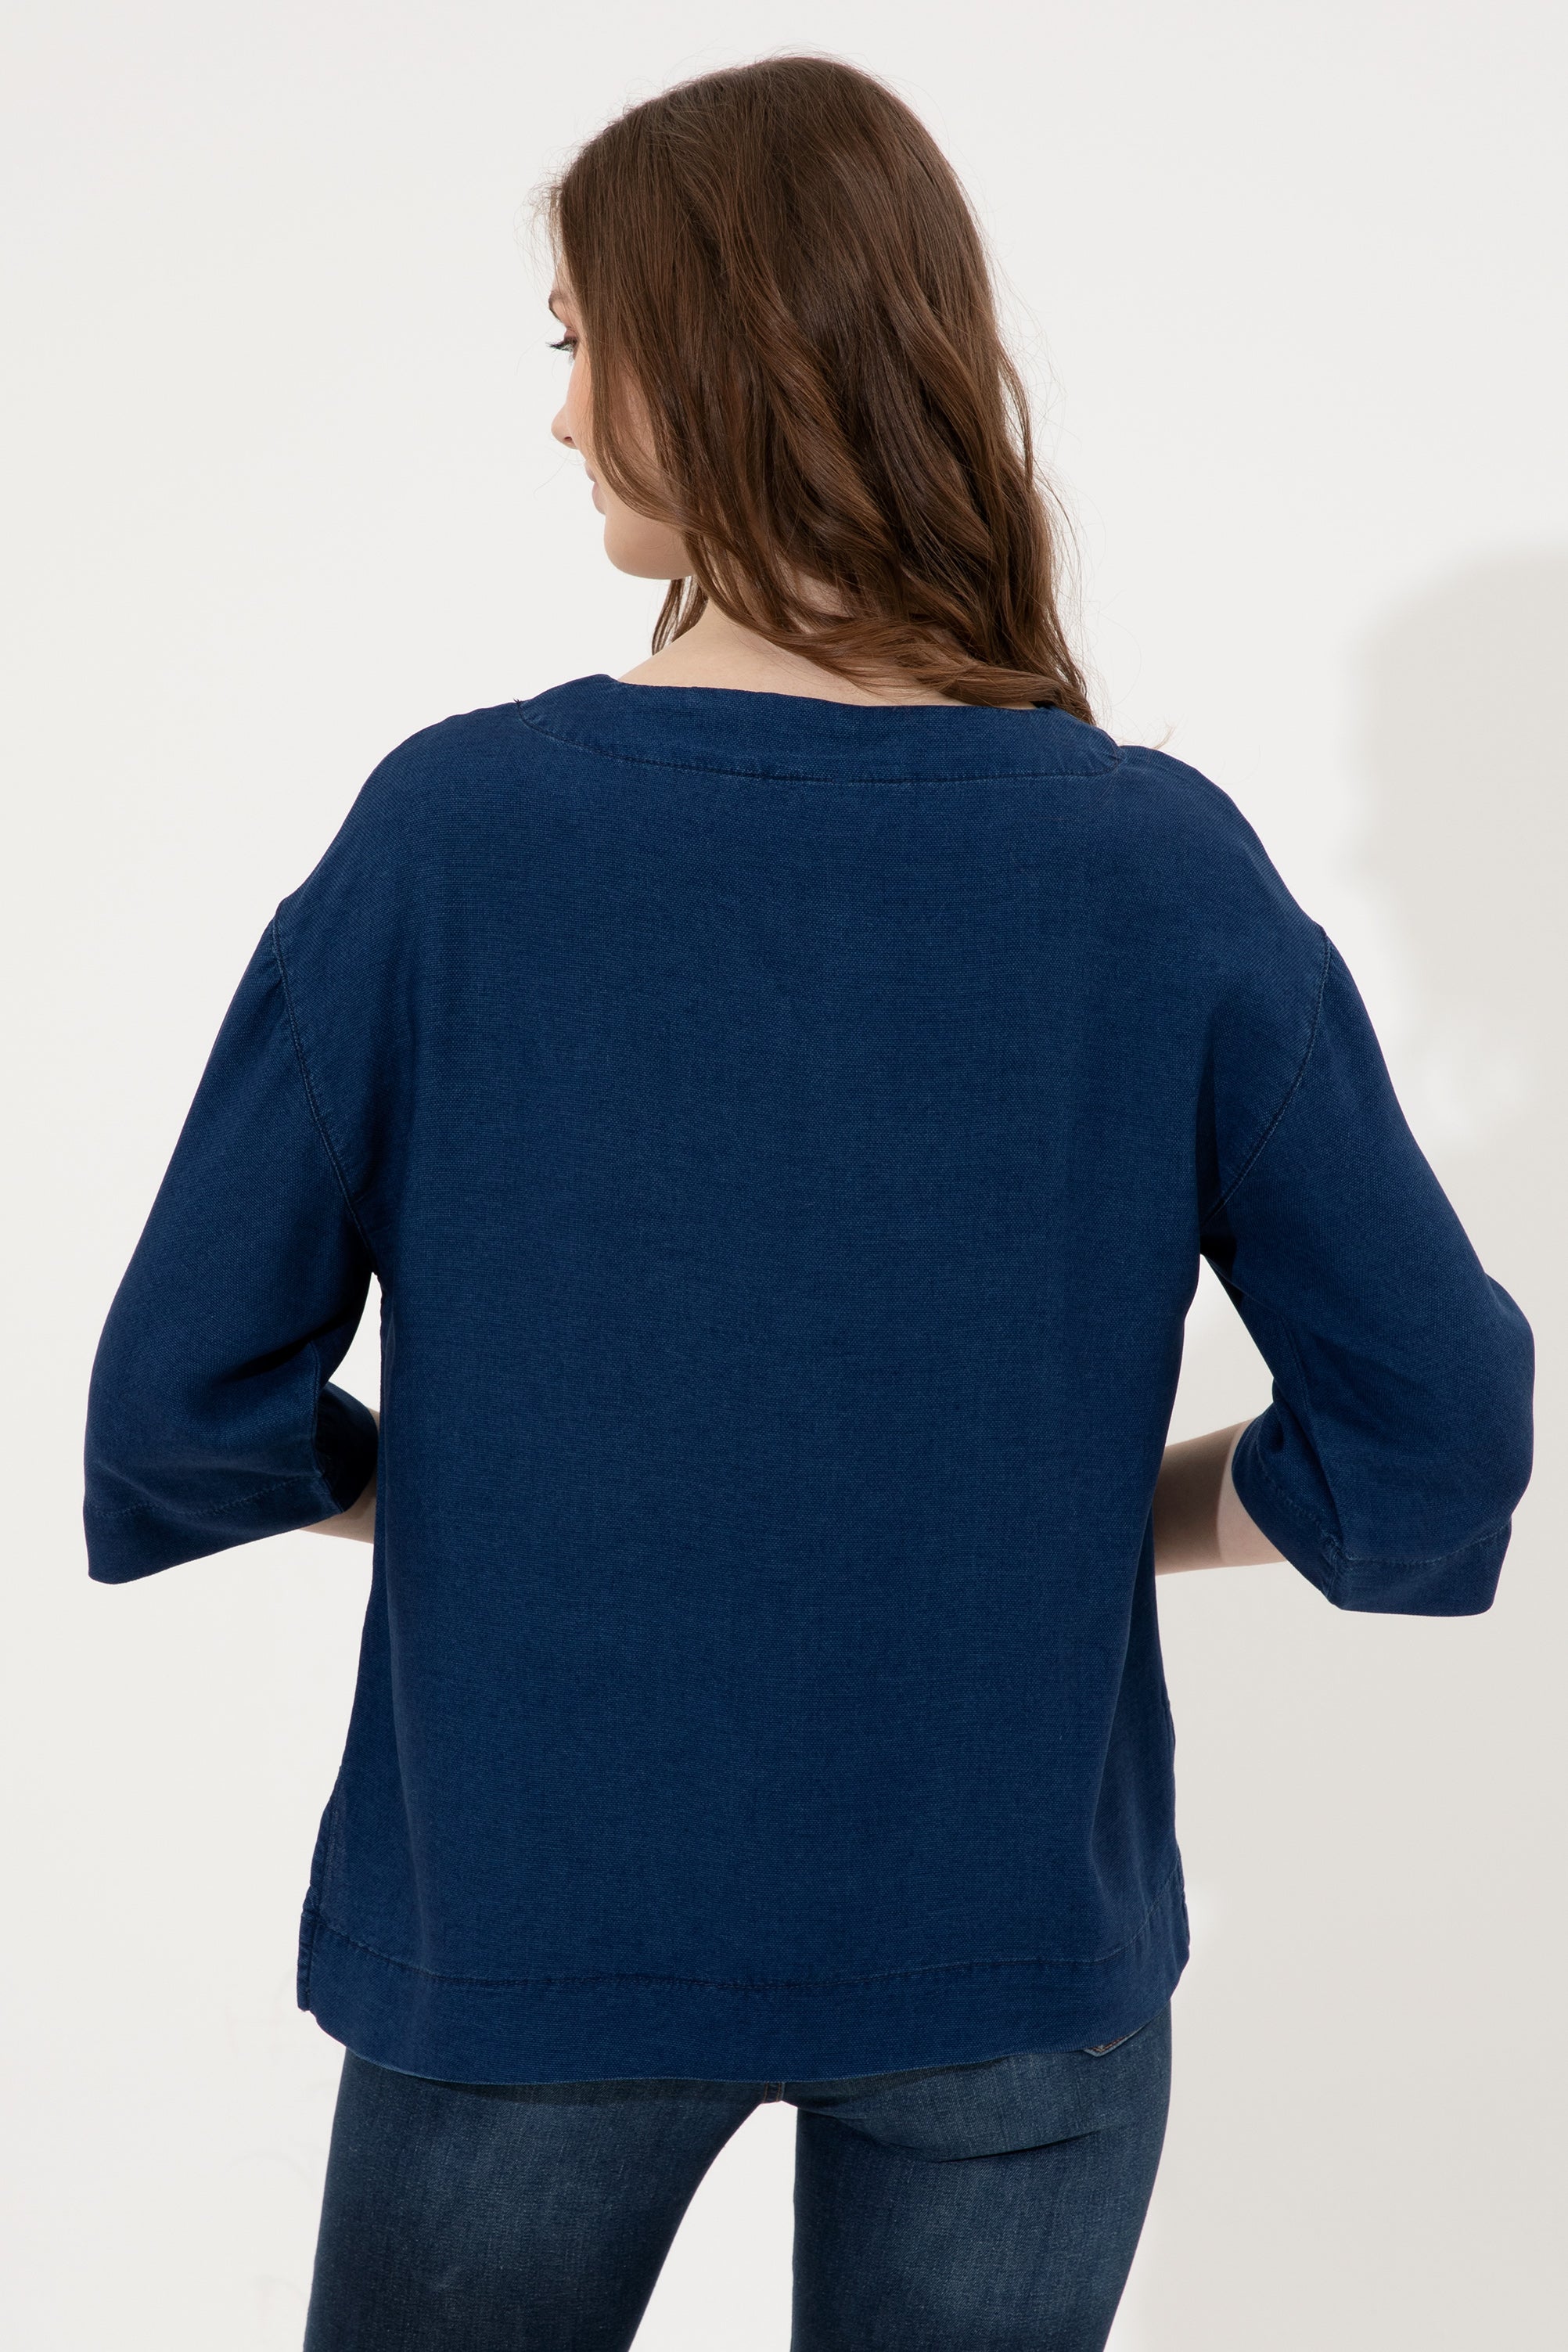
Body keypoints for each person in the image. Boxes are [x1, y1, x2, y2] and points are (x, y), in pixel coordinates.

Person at [81, 54, 1534, 2352]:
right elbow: (1434, 1430)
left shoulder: (456, 842)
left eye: (581, 340)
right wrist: (1070, 1531)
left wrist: (484, 1509)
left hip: (537, 1930)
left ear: (713, 354)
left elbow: (185, 1397)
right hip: (1010, 1962)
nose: (560, 415)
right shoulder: (1152, 865)